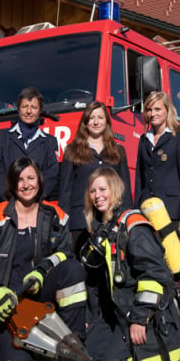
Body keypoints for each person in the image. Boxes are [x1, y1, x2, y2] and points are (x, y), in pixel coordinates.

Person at [0, 157, 87, 361]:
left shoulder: (55, 216)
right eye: (19, 179)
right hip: (10, 305)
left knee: (73, 270)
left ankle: (73, 344)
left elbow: (65, 255)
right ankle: (31, 347)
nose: (26, 185)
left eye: (31, 178)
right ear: (11, 183)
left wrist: (42, 272)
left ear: (40, 180)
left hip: (44, 297)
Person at [82, 167, 180, 361]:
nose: (97, 196)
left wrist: (140, 319)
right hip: (119, 313)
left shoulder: (132, 224)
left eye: (103, 189)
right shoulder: (106, 227)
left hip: (140, 313)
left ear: (115, 190)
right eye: (92, 191)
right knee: (88, 355)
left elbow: (154, 275)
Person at [58, 100, 133, 254]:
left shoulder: (118, 150)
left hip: (111, 220)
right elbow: (65, 191)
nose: (96, 122)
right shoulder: (72, 150)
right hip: (81, 221)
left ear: (106, 121)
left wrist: (128, 219)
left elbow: (125, 188)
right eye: (91, 118)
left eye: (100, 117)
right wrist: (64, 224)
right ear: (85, 123)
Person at [135, 91, 180, 237]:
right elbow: (140, 179)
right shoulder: (144, 140)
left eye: (158, 109)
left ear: (167, 110)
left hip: (172, 212)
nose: (153, 114)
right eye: (149, 110)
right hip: (147, 212)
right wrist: (137, 211)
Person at [0, 86, 59, 203]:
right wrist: (10, 200)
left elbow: (52, 175)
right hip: (6, 205)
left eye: (34, 107)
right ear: (18, 109)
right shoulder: (1, 137)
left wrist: (34, 199)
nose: (29, 111)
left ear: (40, 111)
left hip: (37, 207)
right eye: (25, 106)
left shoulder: (50, 142)